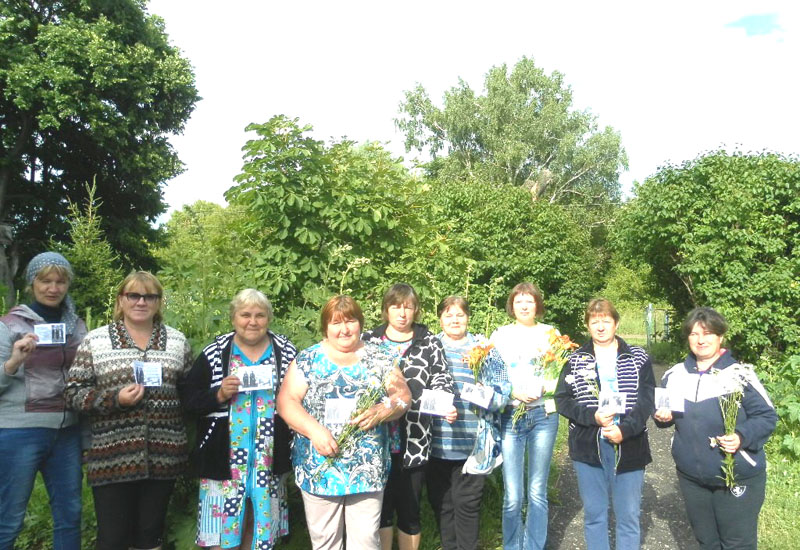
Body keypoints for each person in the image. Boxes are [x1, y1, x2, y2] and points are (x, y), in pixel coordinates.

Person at [65, 271, 192, 550]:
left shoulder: (177, 341)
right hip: (112, 456)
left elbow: (189, 393)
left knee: (150, 535)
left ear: (159, 302)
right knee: (113, 538)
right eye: (133, 295)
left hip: (163, 456)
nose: (141, 302)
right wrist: (115, 399)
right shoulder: (96, 341)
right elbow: (73, 393)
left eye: (149, 296)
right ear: (121, 300)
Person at [277, 295, 411, 550]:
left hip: (366, 468)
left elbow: (403, 396)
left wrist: (383, 409)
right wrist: (314, 431)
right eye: (336, 323)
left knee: (366, 541)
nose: (344, 329)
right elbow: (286, 402)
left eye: (350, 321)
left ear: (360, 323)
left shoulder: (380, 356)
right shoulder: (308, 359)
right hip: (320, 467)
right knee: (326, 541)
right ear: (325, 327)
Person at [179, 289, 297, 550]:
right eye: (245, 315)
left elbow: (301, 397)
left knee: (260, 533)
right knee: (221, 535)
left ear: (269, 318)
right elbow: (188, 400)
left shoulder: (286, 352)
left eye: (260, 315)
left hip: (268, 460)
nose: (252, 321)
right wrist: (218, 394)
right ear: (233, 318)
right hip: (224, 460)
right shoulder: (216, 352)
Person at [654, 307, 777, 550]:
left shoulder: (740, 375)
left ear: (720, 336)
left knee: (737, 544)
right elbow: (663, 416)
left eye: (708, 333)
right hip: (691, 478)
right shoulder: (674, 375)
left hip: (736, 474)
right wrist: (662, 417)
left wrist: (742, 436)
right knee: (706, 542)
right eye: (694, 334)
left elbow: (766, 416)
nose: (701, 340)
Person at [0, 252, 87, 550]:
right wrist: (13, 362)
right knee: (9, 518)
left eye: (60, 282)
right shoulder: (9, 325)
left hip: (67, 432)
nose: (53, 288)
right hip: (19, 432)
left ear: (68, 284)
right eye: (45, 281)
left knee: (70, 515)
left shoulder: (77, 326)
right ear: (31, 284)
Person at [555, 298, 655, 550]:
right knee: (594, 515)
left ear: (616, 323)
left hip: (630, 444)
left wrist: (625, 429)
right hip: (588, 446)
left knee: (628, 516)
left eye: (606, 321)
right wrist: (593, 417)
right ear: (587, 325)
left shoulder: (638, 357)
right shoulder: (575, 359)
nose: (600, 327)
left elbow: (646, 400)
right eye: (594, 322)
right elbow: (562, 400)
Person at [362, 283, 456, 550]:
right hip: (375, 440)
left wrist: (445, 404)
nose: (402, 313)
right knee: (380, 511)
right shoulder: (369, 340)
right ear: (386, 309)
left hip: (414, 439)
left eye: (408, 307)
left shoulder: (429, 341)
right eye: (396, 307)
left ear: (416, 310)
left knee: (409, 510)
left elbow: (442, 378)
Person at [427, 296, 511, 550]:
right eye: (448, 315)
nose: (454, 320)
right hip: (436, 444)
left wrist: (484, 394)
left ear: (468, 317)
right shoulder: (430, 347)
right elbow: (418, 391)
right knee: (442, 504)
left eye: (460, 315)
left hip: (475, 445)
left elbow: (503, 393)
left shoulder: (485, 349)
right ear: (440, 319)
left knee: (468, 504)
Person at [489, 282, 559, 550]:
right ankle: (512, 545)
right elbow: (491, 374)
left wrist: (543, 388)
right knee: (513, 495)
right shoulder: (500, 335)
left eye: (529, 300)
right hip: (511, 416)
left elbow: (559, 374)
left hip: (543, 416)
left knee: (537, 491)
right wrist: (511, 392)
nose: (524, 306)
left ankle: (534, 546)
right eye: (519, 301)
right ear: (512, 306)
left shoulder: (551, 334)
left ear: (537, 304)